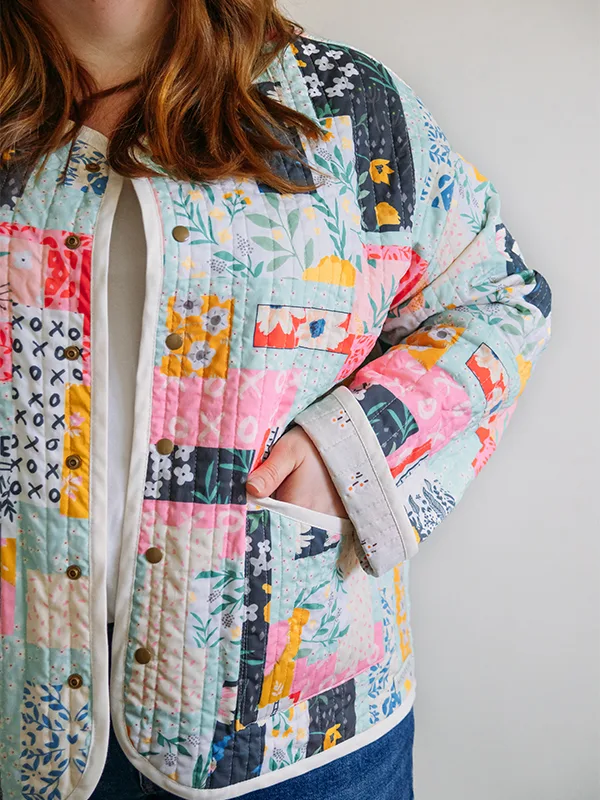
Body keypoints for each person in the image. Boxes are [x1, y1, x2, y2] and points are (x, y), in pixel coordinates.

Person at [0, 1, 552, 799]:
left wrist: (352, 450)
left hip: (293, 737)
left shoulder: (345, 105)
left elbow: (500, 302)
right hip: (18, 715)